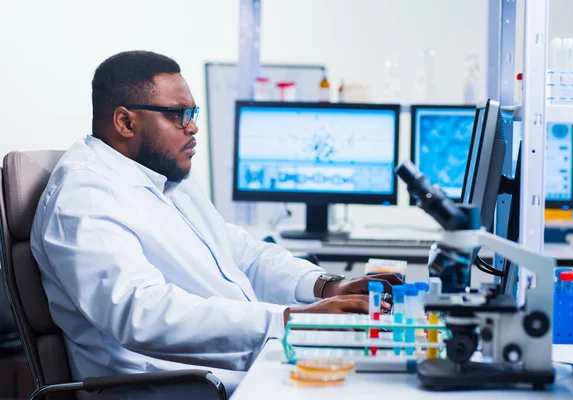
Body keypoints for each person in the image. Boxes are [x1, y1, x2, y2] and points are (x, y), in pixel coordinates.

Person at [30, 51, 402, 397]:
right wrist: (289, 319)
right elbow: (140, 313)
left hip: (230, 370)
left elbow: (244, 254)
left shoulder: (164, 180)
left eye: (193, 112)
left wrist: (326, 287)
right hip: (174, 387)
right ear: (126, 121)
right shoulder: (86, 196)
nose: (193, 128)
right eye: (178, 114)